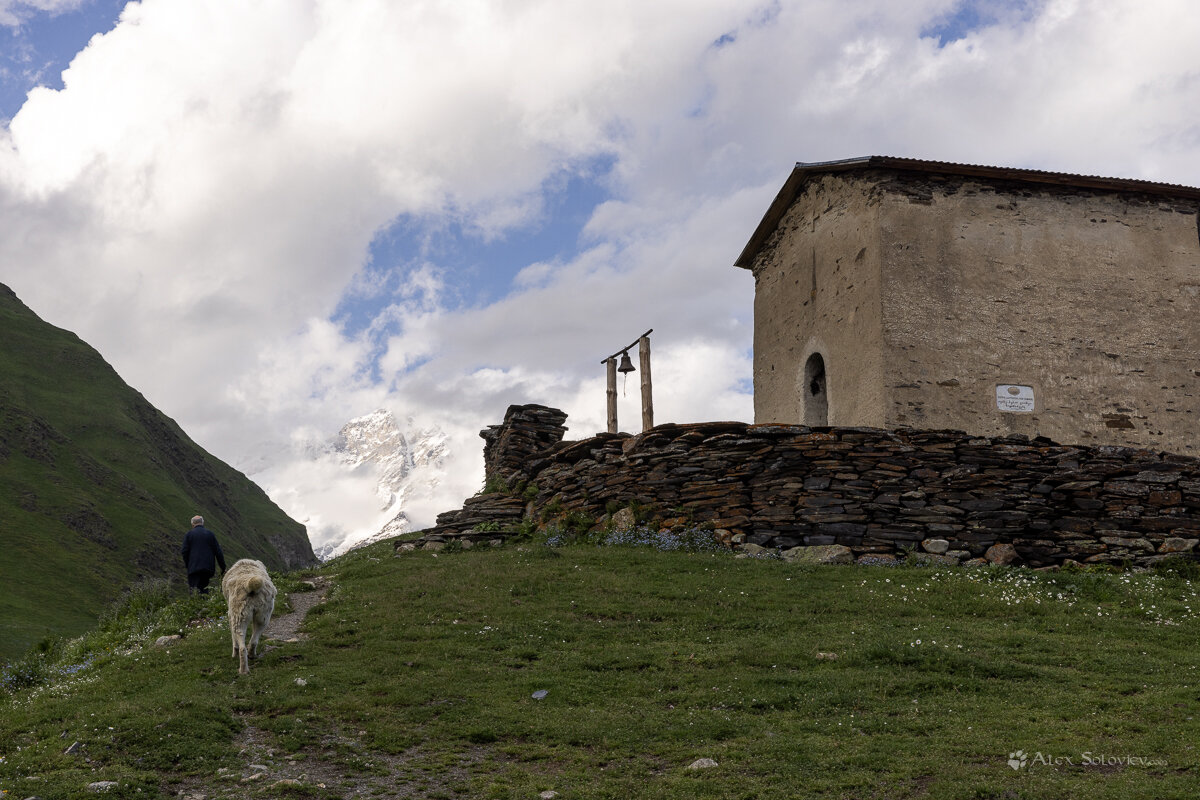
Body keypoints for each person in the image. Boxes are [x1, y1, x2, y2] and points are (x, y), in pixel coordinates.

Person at [181, 515, 227, 594]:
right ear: (202, 523)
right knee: (204, 589)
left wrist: (188, 565)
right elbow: (218, 552)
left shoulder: (189, 535)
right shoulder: (210, 534)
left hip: (194, 568)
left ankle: (196, 601)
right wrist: (223, 567)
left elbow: (184, 551)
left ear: (192, 524)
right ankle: (204, 601)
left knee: (194, 591)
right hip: (207, 568)